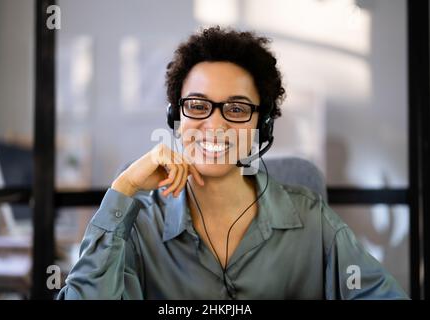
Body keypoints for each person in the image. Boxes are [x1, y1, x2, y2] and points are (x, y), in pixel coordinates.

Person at [58, 26, 408, 300]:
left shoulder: (311, 220)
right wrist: (124, 188)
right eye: (197, 105)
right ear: (175, 116)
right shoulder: (137, 228)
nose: (215, 125)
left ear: (263, 124)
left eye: (237, 109)